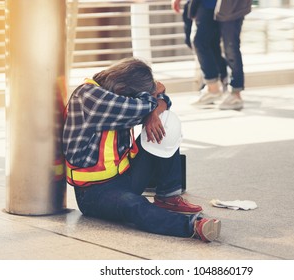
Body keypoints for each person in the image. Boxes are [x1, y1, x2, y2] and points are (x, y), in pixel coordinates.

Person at [62, 57, 221, 242]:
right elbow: (142, 104)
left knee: (167, 122)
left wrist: (152, 113)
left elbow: (162, 100)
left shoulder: (119, 88)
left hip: (126, 176)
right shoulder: (89, 97)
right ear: (122, 89)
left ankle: (168, 196)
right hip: (93, 193)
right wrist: (152, 102)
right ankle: (193, 226)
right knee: (134, 205)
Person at [172, 0, 252, 110]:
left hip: (231, 5)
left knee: (231, 46)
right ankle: (213, 88)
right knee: (199, 41)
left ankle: (235, 93)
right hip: (205, 4)